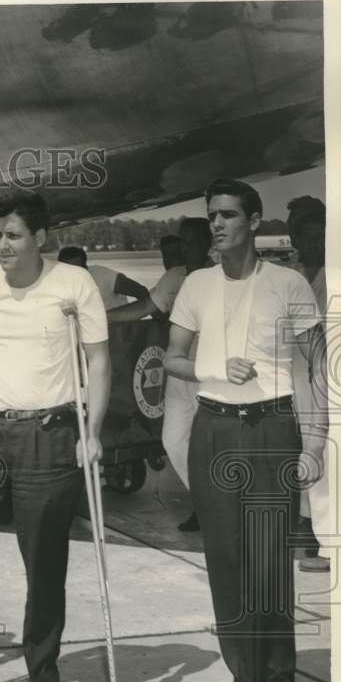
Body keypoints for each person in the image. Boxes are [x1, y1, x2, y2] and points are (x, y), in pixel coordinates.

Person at [165, 179, 326, 682]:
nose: (217, 225)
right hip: (213, 429)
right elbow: (172, 359)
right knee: (226, 560)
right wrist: (213, 369)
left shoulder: (289, 284)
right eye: (212, 215)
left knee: (269, 560)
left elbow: (317, 367)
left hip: (272, 427)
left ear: (255, 223)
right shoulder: (196, 286)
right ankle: (243, 681)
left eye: (228, 215)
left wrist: (317, 440)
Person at [0, 191, 110, 682]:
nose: (2, 245)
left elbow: (99, 360)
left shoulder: (72, 284)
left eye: (13, 235)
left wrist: (93, 430)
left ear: (40, 238)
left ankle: (44, 674)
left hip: (49, 434)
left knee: (42, 561)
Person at [109, 219, 213, 532]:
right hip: (179, 372)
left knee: (209, 444)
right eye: (183, 241)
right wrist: (99, 318)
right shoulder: (174, 276)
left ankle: (212, 508)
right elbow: (142, 307)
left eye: (192, 240)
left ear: (208, 243)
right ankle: (206, 502)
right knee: (173, 440)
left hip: (210, 374)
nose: (186, 247)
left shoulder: (219, 276)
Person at [285, 196, 330, 572]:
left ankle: (325, 535)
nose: (310, 241)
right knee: (305, 446)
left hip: (335, 373)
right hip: (299, 374)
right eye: (302, 233)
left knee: (329, 449)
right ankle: (310, 523)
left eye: (318, 233)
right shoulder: (293, 276)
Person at [57, 245, 150, 310]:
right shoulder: (59, 284)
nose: (73, 273)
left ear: (85, 266)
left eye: (77, 269)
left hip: (116, 329)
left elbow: (140, 291)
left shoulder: (104, 276)